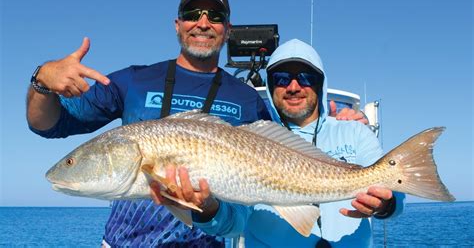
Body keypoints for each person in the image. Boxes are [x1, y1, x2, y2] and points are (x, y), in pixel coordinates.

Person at [26, 0, 274, 246]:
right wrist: (42, 81)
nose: (203, 23)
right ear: (177, 24)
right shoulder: (134, 81)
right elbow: (47, 124)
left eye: (215, 17)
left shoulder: (247, 98)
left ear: (227, 30)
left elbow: (249, 209)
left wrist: (211, 209)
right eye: (192, 14)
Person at [150, 39, 405, 247]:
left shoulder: (356, 133)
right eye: (282, 78)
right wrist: (205, 209)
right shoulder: (248, 143)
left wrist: (386, 204)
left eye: (305, 77)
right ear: (271, 87)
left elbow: (396, 193)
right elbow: (234, 224)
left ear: (320, 83)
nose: (293, 86)